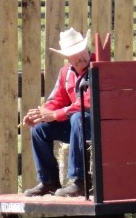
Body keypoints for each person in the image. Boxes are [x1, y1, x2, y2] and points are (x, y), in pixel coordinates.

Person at [22, 28, 95, 197]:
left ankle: (80, 181)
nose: (79, 57)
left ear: (87, 48)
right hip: (80, 124)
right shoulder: (65, 73)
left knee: (78, 117)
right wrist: (41, 113)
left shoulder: (98, 67)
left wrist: (56, 114)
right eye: (73, 54)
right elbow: (56, 100)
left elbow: (89, 101)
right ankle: (49, 181)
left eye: (80, 51)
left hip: (99, 123)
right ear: (66, 58)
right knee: (39, 128)